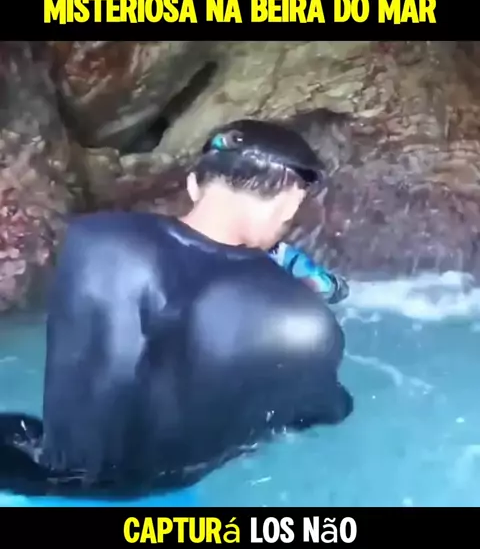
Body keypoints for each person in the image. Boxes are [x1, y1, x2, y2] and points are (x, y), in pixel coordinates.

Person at [0, 118, 354, 498]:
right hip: (167, 493)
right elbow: (328, 410)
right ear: (288, 202)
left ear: (193, 185)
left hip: (53, 483)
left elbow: (101, 392)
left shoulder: (98, 240)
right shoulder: (306, 320)